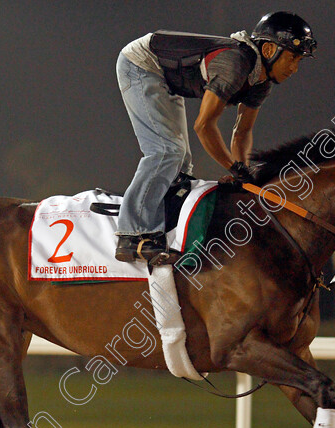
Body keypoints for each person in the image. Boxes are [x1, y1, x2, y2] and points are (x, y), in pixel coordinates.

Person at [114, 11, 316, 264]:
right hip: (141, 64)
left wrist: (243, 171)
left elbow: (242, 132)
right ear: (268, 50)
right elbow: (203, 125)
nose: (294, 68)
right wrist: (234, 166)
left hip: (168, 77)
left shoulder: (261, 81)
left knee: (181, 166)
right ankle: (132, 234)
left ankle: (164, 221)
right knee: (166, 152)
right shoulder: (235, 64)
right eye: (293, 57)